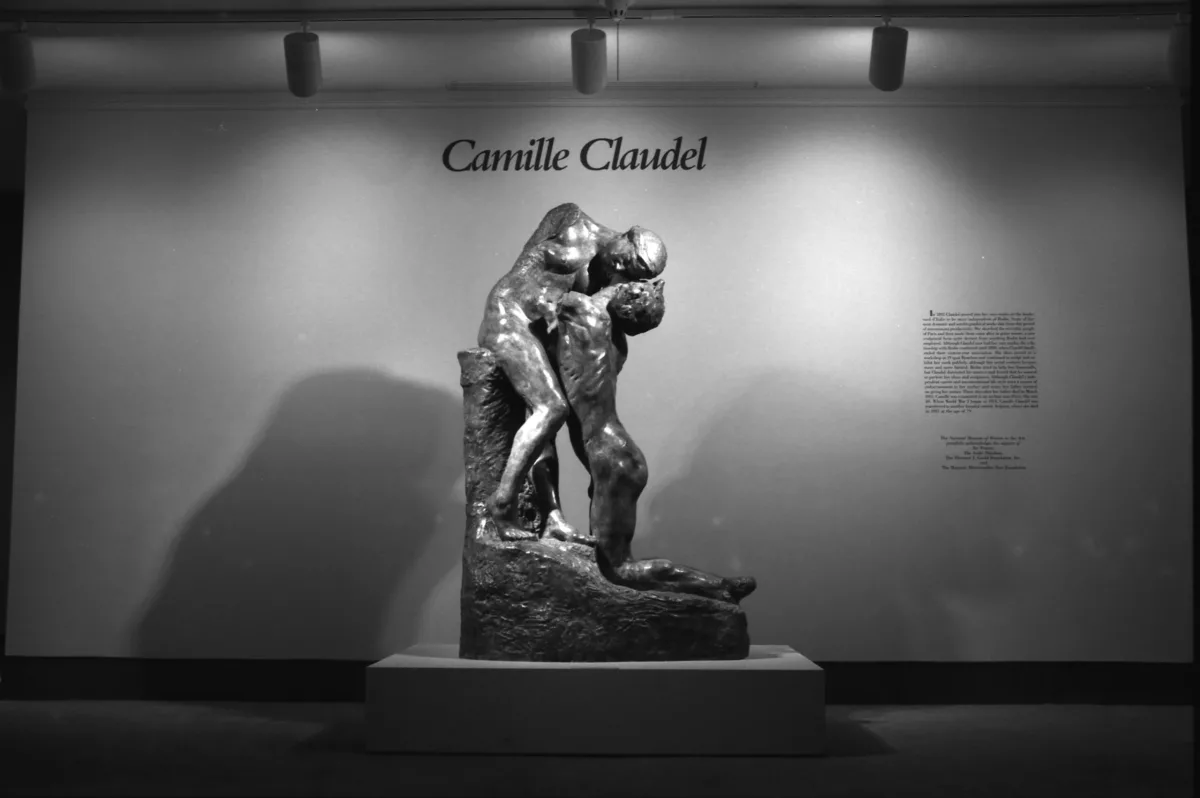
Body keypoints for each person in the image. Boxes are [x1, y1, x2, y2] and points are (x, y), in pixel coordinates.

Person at [553, 277, 757, 605]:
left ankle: (716, 588)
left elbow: (553, 296)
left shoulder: (580, 311)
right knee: (614, 566)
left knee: (617, 569)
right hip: (618, 455)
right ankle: (718, 588)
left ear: (629, 292)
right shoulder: (617, 342)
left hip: (613, 458)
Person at [477, 203, 667, 544]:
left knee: (562, 423)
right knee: (551, 408)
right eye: (627, 264)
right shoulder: (572, 223)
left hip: (541, 335)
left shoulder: (609, 278)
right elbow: (537, 286)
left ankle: (553, 518)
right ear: (627, 243)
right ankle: (501, 505)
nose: (623, 273)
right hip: (510, 318)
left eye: (634, 276)